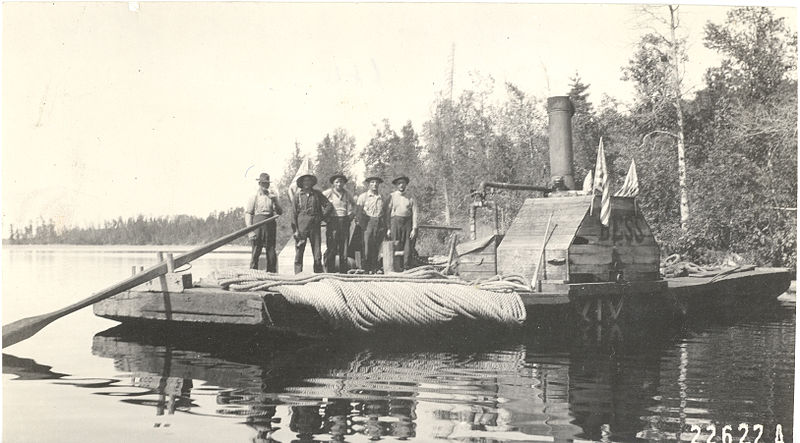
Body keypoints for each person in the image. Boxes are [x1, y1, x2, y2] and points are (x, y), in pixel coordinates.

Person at [291, 172, 332, 273]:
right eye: (304, 180)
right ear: (301, 183)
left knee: (317, 253)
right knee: (299, 252)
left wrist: (321, 217)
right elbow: (293, 214)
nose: (307, 182)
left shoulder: (317, 194)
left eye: (308, 180)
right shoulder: (297, 196)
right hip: (301, 226)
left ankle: (318, 275)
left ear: (312, 182)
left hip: (315, 226)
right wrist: (295, 230)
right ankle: (298, 276)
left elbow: (329, 206)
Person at [245, 173, 283, 272]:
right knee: (256, 251)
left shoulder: (273, 196)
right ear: (259, 183)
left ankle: (271, 275)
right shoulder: (254, 196)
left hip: (270, 224)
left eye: (267, 184)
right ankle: (252, 274)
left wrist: (275, 201)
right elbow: (248, 213)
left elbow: (280, 212)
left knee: (271, 251)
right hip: (258, 224)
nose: (265, 186)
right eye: (263, 184)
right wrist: (250, 230)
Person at [322, 173, 357, 273]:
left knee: (344, 247)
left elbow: (354, 205)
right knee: (332, 246)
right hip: (332, 221)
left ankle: (343, 271)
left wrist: (351, 215)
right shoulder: (328, 193)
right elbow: (319, 201)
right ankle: (330, 271)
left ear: (344, 183)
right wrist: (324, 216)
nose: (339, 184)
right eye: (337, 182)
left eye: (341, 182)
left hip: (344, 220)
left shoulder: (347, 193)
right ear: (333, 183)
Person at [386, 175, 418, 271]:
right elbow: (387, 212)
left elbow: (415, 212)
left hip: (407, 222)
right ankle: (396, 266)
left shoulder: (411, 196)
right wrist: (388, 228)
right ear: (396, 185)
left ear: (406, 184)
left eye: (403, 183)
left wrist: (414, 228)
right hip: (395, 222)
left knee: (407, 245)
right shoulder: (392, 196)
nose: (401, 185)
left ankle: (406, 267)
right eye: (399, 183)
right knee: (396, 243)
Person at [355, 176, 385, 273]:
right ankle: (365, 268)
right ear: (369, 184)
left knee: (377, 246)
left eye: (376, 183)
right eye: (372, 182)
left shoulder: (381, 197)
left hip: (379, 222)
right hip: (367, 223)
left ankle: (375, 268)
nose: (374, 184)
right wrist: (362, 224)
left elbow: (385, 211)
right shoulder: (363, 196)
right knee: (366, 246)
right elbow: (358, 212)